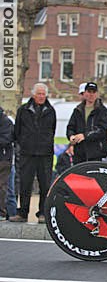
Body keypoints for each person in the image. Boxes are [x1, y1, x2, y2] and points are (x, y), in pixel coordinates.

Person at [10, 83, 56, 223]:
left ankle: (42, 213)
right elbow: (17, 131)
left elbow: (52, 130)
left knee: (45, 185)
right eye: (39, 94)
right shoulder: (23, 110)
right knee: (25, 184)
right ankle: (22, 213)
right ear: (33, 94)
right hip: (27, 153)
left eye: (43, 94)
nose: (41, 96)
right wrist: (23, 144)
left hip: (45, 154)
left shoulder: (51, 110)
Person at [66, 82, 107, 164]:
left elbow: (102, 130)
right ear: (85, 93)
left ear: (97, 94)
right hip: (79, 153)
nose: (91, 94)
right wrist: (71, 136)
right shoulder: (77, 110)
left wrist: (85, 135)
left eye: (93, 92)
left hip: (96, 153)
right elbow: (70, 127)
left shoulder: (102, 110)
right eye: (89, 92)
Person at [0, 106, 14, 221]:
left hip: (3, 159)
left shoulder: (6, 122)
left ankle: (2, 212)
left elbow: (6, 139)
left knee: (2, 186)